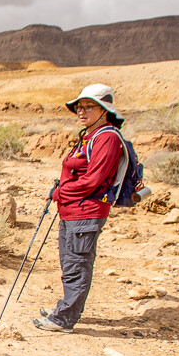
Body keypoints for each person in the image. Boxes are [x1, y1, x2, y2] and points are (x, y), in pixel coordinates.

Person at [33, 83, 125, 333]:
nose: (81, 112)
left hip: (86, 212)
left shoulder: (106, 137)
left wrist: (60, 191)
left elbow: (94, 180)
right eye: (78, 108)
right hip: (73, 211)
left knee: (77, 264)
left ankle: (64, 320)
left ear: (104, 110)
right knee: (69, 262)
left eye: (88, 107)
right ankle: (65, 308)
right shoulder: (90, 135)